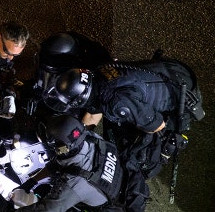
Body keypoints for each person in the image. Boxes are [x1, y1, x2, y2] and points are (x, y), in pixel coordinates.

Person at [41, 51, 204, 178]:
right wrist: (77, 139)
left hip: (183, 94)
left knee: (133, 155)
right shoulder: (98, 73)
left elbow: (157, 125)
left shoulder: (117, 103)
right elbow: (92, 114)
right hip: (173, 70)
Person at [0, 115, 130, 212]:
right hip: (113, 189)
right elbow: (59, 164)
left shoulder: (75, 184)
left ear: (62, 148)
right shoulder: (92, 139)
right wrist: (31, 181)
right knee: (54, 195)